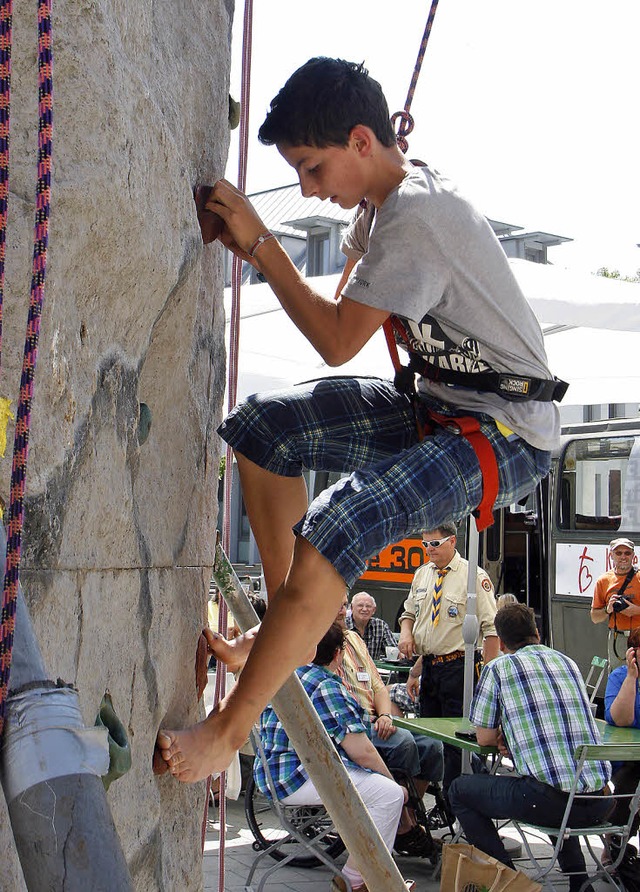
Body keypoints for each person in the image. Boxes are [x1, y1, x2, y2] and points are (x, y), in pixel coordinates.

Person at [157, 56, 561, 783]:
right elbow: (341, 309)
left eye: (313, 169)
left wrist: (259, 241)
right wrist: (275, 243)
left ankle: (228, 727)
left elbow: (338, 339)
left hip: (505, 432)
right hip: (436, 405)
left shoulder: (422, 221)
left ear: (361, 142)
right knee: (263, 428)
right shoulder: (382, 206)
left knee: (339, 523)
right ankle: (292, 626)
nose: (309, 188)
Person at [449, 603, 612, 892]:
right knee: (559, 781)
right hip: (600, 803)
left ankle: (510, 880)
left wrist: (504, 733)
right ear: (536, 632)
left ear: (500, 642)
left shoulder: (498, 667)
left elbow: (485, 738)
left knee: (460, 790)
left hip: (550, 805)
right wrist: (516, 736)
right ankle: (578, 880)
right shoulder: (568, 662)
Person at [255, 621, 413, 892]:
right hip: (296, 777)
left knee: (373, 790)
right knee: (390, 795)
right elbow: (361, 752)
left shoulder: (285, 674)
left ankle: (359, 876)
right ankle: (358, 881)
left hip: (271, 772)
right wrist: (394, 783)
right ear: (339, 654)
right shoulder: (327, 686)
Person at [335, 593, 444, 856]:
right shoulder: (320, 643)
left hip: (375, 718)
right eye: (336, 606)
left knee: (433, 745)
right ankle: (404, 827)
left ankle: (406, 817)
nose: (341, 611)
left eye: (342, 605)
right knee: (404, 742)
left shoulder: (354, 639)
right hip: (350, 725)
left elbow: (378, 686)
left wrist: (385, 716)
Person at [398, 522, 499, 795]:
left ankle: (461, 801)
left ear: (452, 541)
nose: (429, 550)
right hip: (430, 666)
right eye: (425, 544)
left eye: (435, 544)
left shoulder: (473, 577)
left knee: (457, 741)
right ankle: (437, 801)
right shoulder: (422, 575)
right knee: (429, 740)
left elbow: (491, 630)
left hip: (460, 667)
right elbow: (409, 615)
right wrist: (407, 640)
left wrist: (490, 678)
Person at [604, 625, 640, 848]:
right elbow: (620, 719)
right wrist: (631, 677)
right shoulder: (619, 677)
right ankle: (616, 841)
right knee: (633, 775)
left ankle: (616, 841)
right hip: (625, 757)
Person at [591, 537, 639, 668]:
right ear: (611, 555)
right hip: (617, 638)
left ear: (633, 556)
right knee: (618, 679)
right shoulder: (603, 581)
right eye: (618, 553)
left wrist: (636, 610)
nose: (623, 557)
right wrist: (608, 609)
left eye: (627, 553)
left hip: (638, 635)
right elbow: (595, 617)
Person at [346, 591, 396, 660]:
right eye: (360, 605)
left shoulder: (380, 626)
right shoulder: (343, 625)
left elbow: (393, 650)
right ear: (352, 608)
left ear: (374, 610)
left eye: (368, 606)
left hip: (372, 669)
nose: (364, 609)